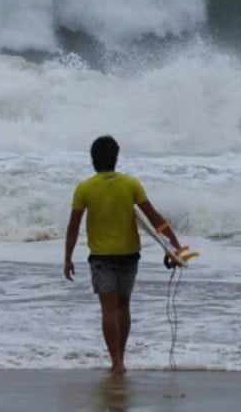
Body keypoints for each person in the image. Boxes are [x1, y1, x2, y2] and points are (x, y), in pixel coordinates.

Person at [64, 135, 181, 375]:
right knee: (124, 306)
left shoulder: (84, 188)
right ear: (116, 158)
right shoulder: (131, 184)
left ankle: (116, 361)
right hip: (129, 254)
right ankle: (122, 356)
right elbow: (153, 216)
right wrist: (173, 242)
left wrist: (68, 258)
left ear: (93, 159)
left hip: (101, 258)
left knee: (108, 309)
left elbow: (73, 227)